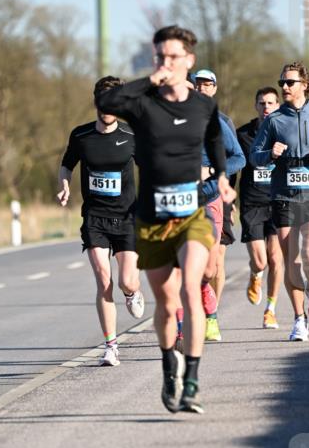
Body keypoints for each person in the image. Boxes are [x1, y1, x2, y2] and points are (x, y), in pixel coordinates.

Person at [96, 25, 235, 414]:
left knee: (191, 287)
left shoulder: (203, 106)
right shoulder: (144, 103)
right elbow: (107, 101)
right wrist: (147, 81)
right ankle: (168, 365)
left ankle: (192, 380)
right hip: (153, 219)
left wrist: (222, 178)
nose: (166, 63)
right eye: (160, 56)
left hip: (191, 213)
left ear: (189, 61)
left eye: (173, 57)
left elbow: (214, 142)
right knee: (166, 299)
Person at [57, 76, 145, 367]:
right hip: (95, 217)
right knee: (104, 281)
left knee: (125, 281)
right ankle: (111, 345)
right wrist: (65, 184)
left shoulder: (132, 136)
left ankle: (132, 292)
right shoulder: (81, 136)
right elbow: (67, 165)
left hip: (127, 216)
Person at [250, 62, 309, 343]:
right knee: (292, 261)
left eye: (289, 82)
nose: (285, 87)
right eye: (282, 83)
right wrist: (270, 154)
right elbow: (255, 155)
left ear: (304, 84)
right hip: (284, 196)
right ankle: (300, 319)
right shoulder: (273, 120)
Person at [191, 68, 245, 343]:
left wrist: (212, 172)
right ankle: (189, 323)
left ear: (214, 88)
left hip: (213, 197)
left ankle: (209, 311)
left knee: (211, 268)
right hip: (181, 202)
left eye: (206, 84)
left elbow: (238, 158)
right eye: (196, 84)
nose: (201, 88)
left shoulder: (221, 122)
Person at [236, 87, 284, 328]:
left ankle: (271, 309)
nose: (266, 108)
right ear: (256, 106)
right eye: (262, 103)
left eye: (271, 103)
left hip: (278, 201)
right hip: (252, 203)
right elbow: (233, 164)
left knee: (276, 258)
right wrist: (227, 196)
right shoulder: (243, 134)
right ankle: (255, 275)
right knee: (261, 260)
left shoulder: (285, 132)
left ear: (278, 105)